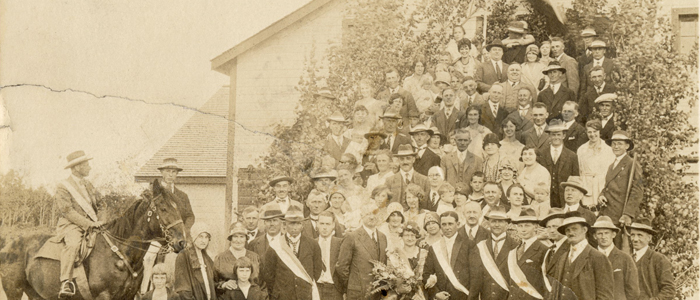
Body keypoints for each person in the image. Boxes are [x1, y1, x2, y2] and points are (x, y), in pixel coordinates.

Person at [143, 158, 197, 294]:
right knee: (148, 258)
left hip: (177, 236)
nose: (171, 174)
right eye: (168, 171)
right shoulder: (152, 193)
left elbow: (190, 215)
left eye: (174, 172)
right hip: (157, 236)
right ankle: (145, 291)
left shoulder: (182, 196)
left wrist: (184, 230)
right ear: (162, 173)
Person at [55, 150, 105, 298]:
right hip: (71, 225)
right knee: (73, 245)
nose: (89, 167)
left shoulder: (89, 185)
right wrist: (89, 224)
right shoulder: (63, 186)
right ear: (76, 167)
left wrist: (100, 220)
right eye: (86, 165)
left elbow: (102, 204)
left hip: (94, 224)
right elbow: (67, 211)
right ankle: (66, 281)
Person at [262, 205, 323, 300]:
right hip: (282, 296)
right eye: (291, 223)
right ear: (285, 225)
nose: (295, 227)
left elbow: (317, 271)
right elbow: (269, 275)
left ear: (303, 225)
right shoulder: (275, 246)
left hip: (305, 295)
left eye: (298, 224)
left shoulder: (313, 244)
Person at [552, 211, 614, 300]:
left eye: (574, 229)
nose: (570, 233)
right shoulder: (562, 258)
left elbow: (605, 295)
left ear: (584, 230)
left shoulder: (598, 257)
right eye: (567, 230)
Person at [599, 130, 643, 245]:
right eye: (614, 143)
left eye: (620, 143)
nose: (616, 146)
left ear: (627, 146)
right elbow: (607, 187)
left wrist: (628, 214)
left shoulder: (632, 164)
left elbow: (637, 191)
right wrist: (602, 195)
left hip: (620, 216)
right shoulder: (611, 166)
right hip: (608, 213)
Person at [336, 203, 388, 300]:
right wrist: (352, 285)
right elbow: (342, 267)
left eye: (375, 214)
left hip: (377, 293)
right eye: (368, 214)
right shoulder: (352, 237)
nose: (372, 217)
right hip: (358, 293)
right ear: (361, 216)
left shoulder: (382, 237)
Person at [468, 207, 517, 300]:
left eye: (501, 221)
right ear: (489, 223)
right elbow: (475, 279)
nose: (497, 225)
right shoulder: (480, 247)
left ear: (507, 224)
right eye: (494, 221)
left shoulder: (515, 246)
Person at [422, 211, 472, 300]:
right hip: (442, 296)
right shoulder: (434, 248)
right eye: (444, 224)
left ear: (458, 224)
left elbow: (475, 275)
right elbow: (426, 274)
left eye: (450, 224)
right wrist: (436, 293)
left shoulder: (468, 244)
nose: (447, 228)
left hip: (463, 295)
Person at [592, 216, 640, 300]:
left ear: (613, 234)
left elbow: (633, 291)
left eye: (607, 233)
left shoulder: (625, 259)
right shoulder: (589, 258)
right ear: (594, 236)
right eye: (600, 233)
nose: (603, 237)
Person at [507, 208, 549, 300]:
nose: (523, 230)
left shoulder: (544, 250)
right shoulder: (513, 251)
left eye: (527, 226)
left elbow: (547, 283)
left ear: (536, 227)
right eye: (520, 226)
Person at [629, 218, 676, 300]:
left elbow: (669, 290)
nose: (635, 239)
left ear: (649, 238)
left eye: (640, 235)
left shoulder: (658, 259)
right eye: (632, 235)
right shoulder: (628, 259)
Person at [537, 119, 580, 208]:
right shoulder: (542, 153)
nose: (556, 137)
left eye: (558, 134)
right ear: (549, 136)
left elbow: (575, 178)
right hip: (546, 198)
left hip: (564, 198)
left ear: (563, 135)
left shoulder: (572, 156)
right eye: (553, 135)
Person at [577, 119, 615, 209]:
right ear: (586, 132)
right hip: (586, 185)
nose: (592, 134)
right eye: (589, 132)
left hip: (601, 186)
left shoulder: (608, 149)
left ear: (599, 132)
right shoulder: (582, 149)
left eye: (595, 131)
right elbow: (579, 170)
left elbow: (611, 172)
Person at [174, 222, 218, 300]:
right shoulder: (183, 256)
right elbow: (183, 289)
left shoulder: (206, 257)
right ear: (194, 237)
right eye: (200, 236)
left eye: (206, 237)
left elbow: (211, 283)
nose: (203, 240)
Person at [215, 222, 262, 294]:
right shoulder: (220, 258)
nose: (238, 240)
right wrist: (223, 284)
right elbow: (213, 282)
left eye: (242, 237)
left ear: (246, 238)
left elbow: (262, 283)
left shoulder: (255, 257)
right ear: (230, 238)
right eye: (235, 236)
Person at [384, 144, 430, 209]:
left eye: (408, 158)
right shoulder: (389, 181)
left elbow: (426, 203)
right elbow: (386, 203)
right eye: (402, 159)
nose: (405, 162)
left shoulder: (424, 180)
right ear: (398, 161)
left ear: (413, 160)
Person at [315, 211, 345, 300]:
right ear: (317, 224)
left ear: (333, 225)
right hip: (316, 288)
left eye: (328, 224)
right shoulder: (311, 243)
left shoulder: (340, 243)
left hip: (335, 289)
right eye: (322, 223)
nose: (324, 227)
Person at [539, 208, 568, 275]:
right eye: (549, 227)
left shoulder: (571, 246)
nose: (552, 230)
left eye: (555, 226)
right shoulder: (550, 249)